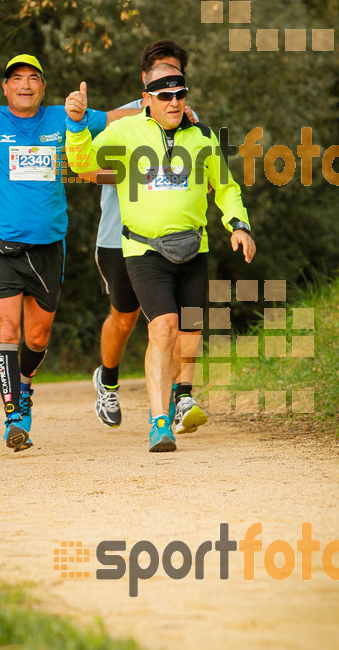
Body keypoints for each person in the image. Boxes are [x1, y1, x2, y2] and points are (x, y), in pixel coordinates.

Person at [0, 45, 137, 452]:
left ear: (43, 88)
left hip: (47, 248)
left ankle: (25, 388)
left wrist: (158, 110)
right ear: (6, 88)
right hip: (0, 245)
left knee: (37, 338)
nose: (26, 84)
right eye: (17, 78)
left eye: (34, 78)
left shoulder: (63, 116)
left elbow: (113, 119)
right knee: (5, 330)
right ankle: (14, 417)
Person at [65, 64, 256, 452]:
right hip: (143, 249)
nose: (174, 102)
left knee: (189, 331)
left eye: (180, 94)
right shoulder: (125, 130)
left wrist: (239, 224)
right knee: (163, 327)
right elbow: (83, 164)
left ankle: (182, 395)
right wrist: (77, 126)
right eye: (165, 96)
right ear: (147, 99)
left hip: (194, 246)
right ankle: (159, 423)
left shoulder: (202, 136)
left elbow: (225, 187)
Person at [93, 39, 199, 429]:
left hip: (173, 238)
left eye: (176, 75)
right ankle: (108, 379)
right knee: (124, 318)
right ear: (146, 79)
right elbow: (87, 166)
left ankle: (178, 399)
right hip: (117, 235)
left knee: (169, 322)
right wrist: (134, 173)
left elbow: (206, 173)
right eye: (160, 74)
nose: (169, 85)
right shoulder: (119, 118)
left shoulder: (188, 116)